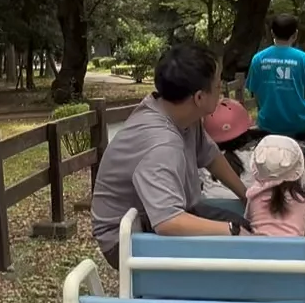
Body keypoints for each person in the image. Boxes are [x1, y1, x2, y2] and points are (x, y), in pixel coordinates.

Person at [91, 42, 248, 266]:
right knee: (239, 244)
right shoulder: (161, 145)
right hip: (126, 238)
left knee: (245, 228)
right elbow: (168, 222)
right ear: (199, 97)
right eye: (217, 85)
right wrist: (232, 231)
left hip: (168, 213)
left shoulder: (180, 113)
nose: (221, 91)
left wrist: (247, 195)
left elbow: (210, 155)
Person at [246, 15, 305, 201]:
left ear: (271, 34)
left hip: (267, 121)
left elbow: (257, 95)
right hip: (300, 122)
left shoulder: (258, 59)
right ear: (295, 35)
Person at [245, 134, 305, 238]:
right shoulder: (303, 201)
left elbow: (247, 224)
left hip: (257, 251)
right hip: (295, 252)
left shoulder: (254, 197)